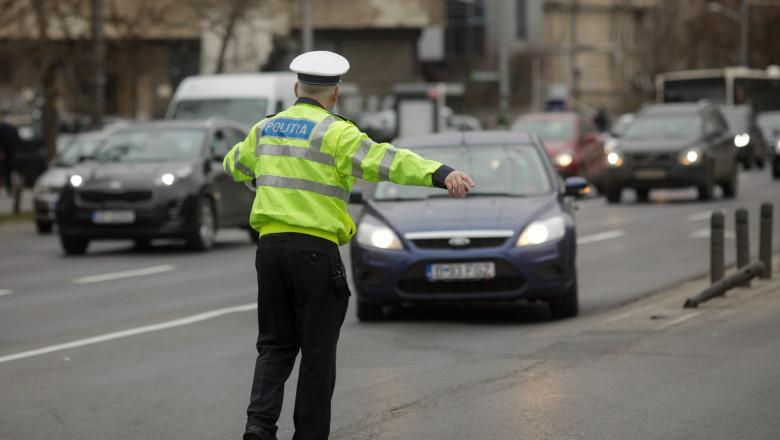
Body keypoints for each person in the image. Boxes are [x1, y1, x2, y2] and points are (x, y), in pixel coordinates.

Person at [223, 50, 475, 440]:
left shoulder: (264, 128)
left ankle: (259, 425)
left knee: (274, 345)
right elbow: (387, 161)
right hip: (314, 252)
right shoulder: (336, 133)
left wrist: (260, 178)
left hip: (269, 250)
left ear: (296, 89)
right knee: (317, 354)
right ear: (334, 93)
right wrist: (440, 174)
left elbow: (235, 165)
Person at [0, 110, 20, 195]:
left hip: (10, 154)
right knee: (7, 172)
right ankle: (9, 188)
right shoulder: (7, 129)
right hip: (7, 154)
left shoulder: (9, 129)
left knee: (8, 172)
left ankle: (10, 188)